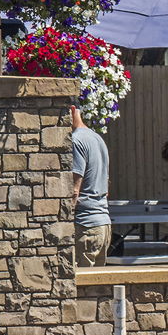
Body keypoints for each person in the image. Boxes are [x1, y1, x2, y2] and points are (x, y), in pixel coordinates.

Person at [68, 105, 112, 266]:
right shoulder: (97, 138)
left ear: (71, 110)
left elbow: (74, 189)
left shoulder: (76, 141)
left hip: (84, 226)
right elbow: (106, 185)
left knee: (78, 285)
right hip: (103, 225)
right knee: (98, 288)